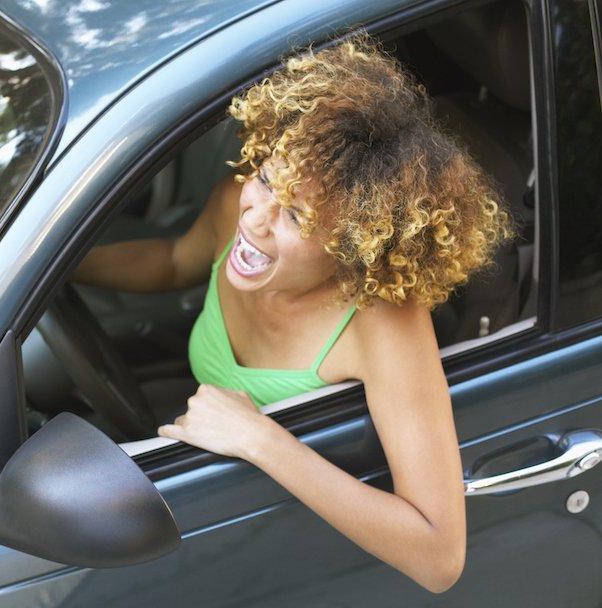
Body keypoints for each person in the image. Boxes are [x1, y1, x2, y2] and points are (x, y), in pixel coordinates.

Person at [73, 35, 512, 592]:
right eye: (264, 177)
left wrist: (262, 439)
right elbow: (173, 259)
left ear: (355, 247)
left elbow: (438, 556)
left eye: (298, 217)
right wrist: (63, 265)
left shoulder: (381, 323)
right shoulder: (239, 203)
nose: (256, 217)